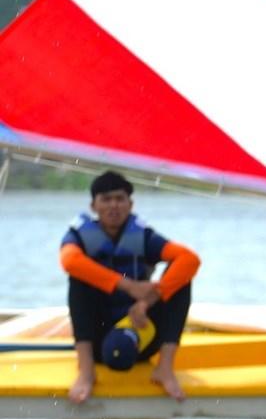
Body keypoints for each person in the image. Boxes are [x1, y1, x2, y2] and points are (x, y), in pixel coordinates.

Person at [61, 170, 200, 403]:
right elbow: (69, 261)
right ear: (93, 206)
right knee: (79, 278)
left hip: (140, 329)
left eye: (119, 198)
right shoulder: (79, 236)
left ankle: (165, 368)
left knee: (181, 280)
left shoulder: (143, 237)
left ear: (130, 204)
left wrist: (147, 301)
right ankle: (86, 372)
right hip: (99, 337)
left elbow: (189, 259)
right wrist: (129, 286)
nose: (113, 206)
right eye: (106, 200)